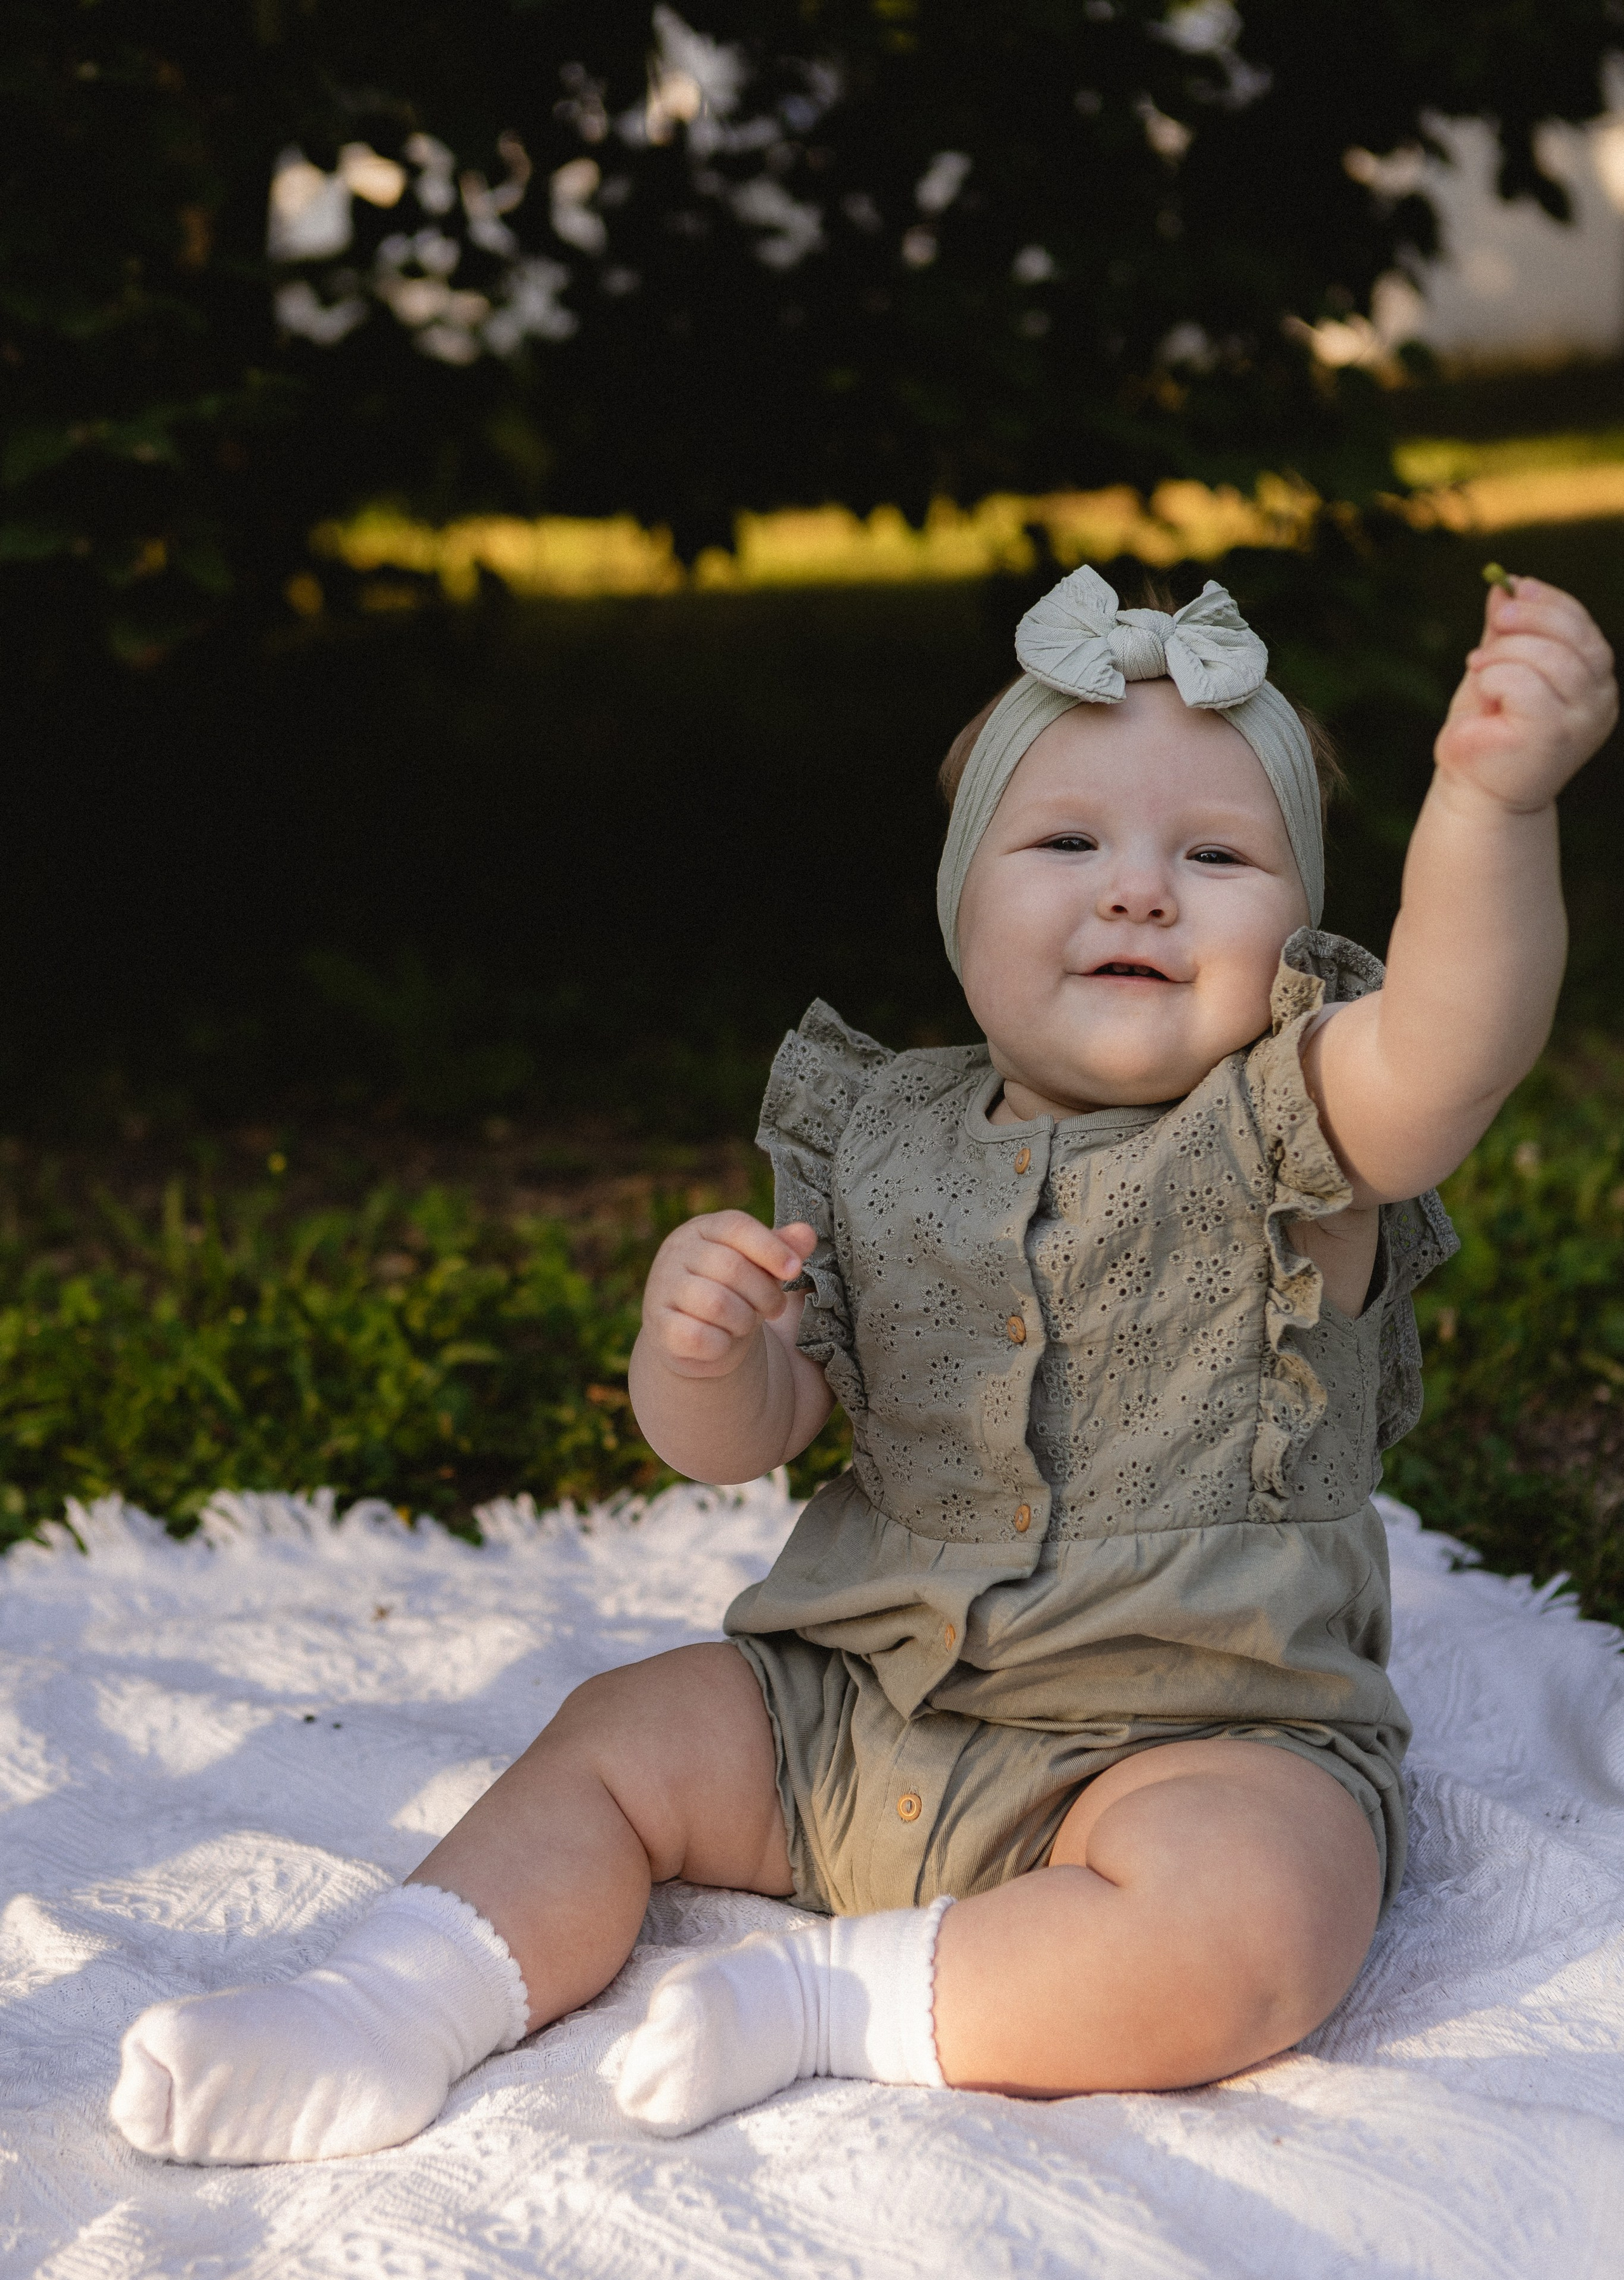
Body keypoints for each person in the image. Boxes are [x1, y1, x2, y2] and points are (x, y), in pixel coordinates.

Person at [109, 562, 1615, 2165]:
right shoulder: (881, 1135)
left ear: (1295, 929)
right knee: (622, 1732)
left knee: (1259, 1921)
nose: (1137, 891)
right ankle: (384, 2008)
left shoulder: (1298, 1123)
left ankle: (831, 2000)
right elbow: (744, 1437)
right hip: (855, 1702)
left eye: (1215, 856)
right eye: (1065, 843)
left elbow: (1456, 1038)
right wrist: (704, 1352)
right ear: (959, 905)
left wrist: (1488, 802)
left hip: (1190, 1733)